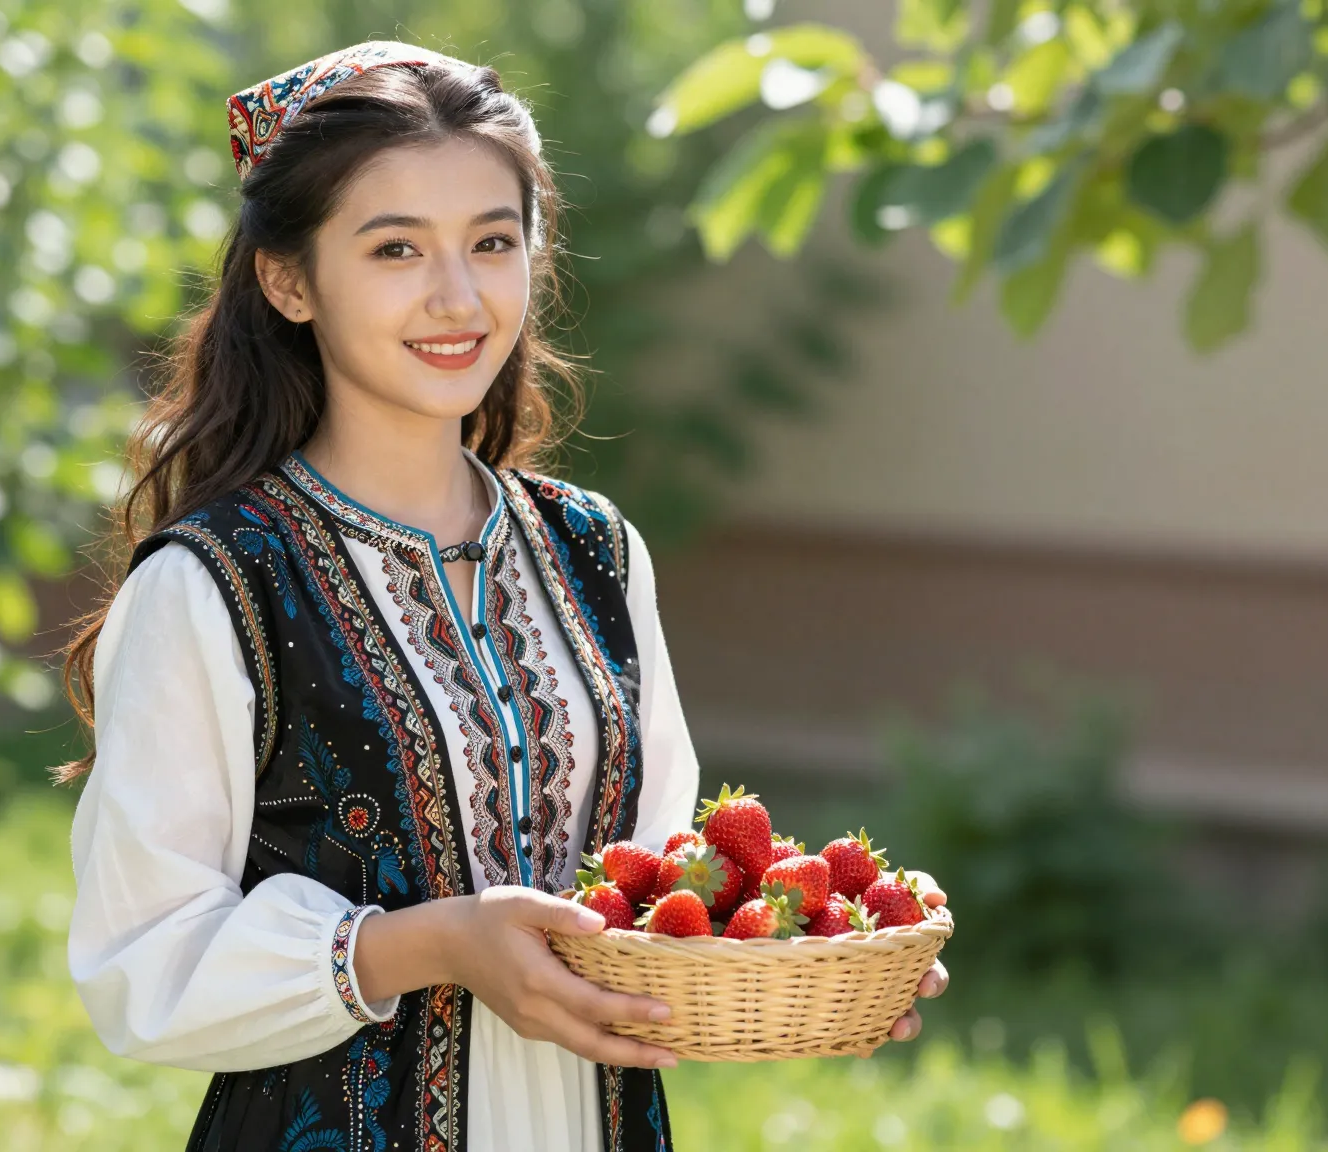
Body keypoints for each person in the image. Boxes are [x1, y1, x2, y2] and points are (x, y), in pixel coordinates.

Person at [54, 41, 948, 1152]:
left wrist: (799, 963)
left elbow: (654, 887)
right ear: (288, 280)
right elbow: (141, 964)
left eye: (492, 241)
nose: (456, 295)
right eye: (394, 249)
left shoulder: (593, 549)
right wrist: (432, 944)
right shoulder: (218, 583)